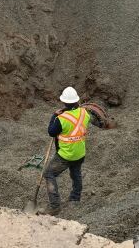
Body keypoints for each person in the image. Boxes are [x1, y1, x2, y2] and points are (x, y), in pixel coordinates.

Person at [42, 86, 103, 216]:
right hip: (80, 153)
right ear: (76, 101)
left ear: (64, 102)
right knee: (76, 174)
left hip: (65, 155)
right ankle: (75, 198)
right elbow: (91, 120)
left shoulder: (61, 119)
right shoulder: (84, 113)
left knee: (49, 174)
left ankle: (55, 206)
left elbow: (51, 132)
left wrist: (54, 115)